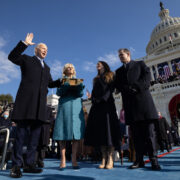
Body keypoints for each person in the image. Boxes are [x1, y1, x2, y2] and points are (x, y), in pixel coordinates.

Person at [8, 33, 61, 178]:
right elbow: (12, 57)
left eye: (47, 49)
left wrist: (61, 81)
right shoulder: (27, 60)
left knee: (34, 139)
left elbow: (50, 83)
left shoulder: (47, 68)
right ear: (36, 49)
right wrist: (24, 43)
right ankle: (16, 166)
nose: (45, 50)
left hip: (39, 108)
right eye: (43, 48)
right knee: (21, 137)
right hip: (26, 105)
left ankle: (30, 164)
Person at [114, 48, 161, 170]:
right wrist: (127, 89)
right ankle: (139, 160)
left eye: (122, 55)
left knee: (149, 135)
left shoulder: (140, 64)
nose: (120, 57)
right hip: (130, 106)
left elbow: (147, 78)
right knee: (136, 136)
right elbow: (118, 85)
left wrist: (136, 88)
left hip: (144, 104)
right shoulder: (118, 72)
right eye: (119, 56)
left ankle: (154, 160)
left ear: (128, 54)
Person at [84, 61, 120, 169]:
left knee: (109, 132)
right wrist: (93, 99)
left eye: (99, 64)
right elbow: (94, 92)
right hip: (97, 107)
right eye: (96, 64)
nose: (97, 65)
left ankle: (110, 158)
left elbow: (111, 89)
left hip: (107, 106)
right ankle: (103, 158)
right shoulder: (95, 79)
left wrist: (103, 99)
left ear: (104, 65)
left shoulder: (111, 75)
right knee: (101, 134)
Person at [53, 63, 85, 170]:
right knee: (63, 134)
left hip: (76, 107)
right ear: (65, 70)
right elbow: (58, 92)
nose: (70, 68)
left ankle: (74, 159)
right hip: (65, 106)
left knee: (75, 135)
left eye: (72, 67)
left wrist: (80, 86)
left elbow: (80, 94)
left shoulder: (77, 80)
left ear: (74, 70)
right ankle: (63, 159)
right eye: (68, 67)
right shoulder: (61, 80)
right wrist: (66, 84)